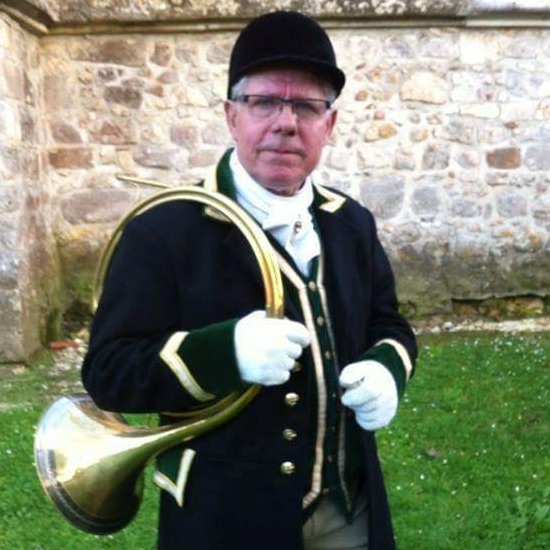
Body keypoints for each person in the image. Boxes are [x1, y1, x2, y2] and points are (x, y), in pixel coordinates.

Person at [82, 10, 417, 550]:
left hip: (349, 511)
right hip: (224, 522)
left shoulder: (351, 224)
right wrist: (225, 352)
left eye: (307, 106)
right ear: (231, 116)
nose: (286, 123)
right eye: (264, 102)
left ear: (328, 125)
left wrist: (387, 368)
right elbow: (108, 371)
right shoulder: (166, 230)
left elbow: (389, 324)